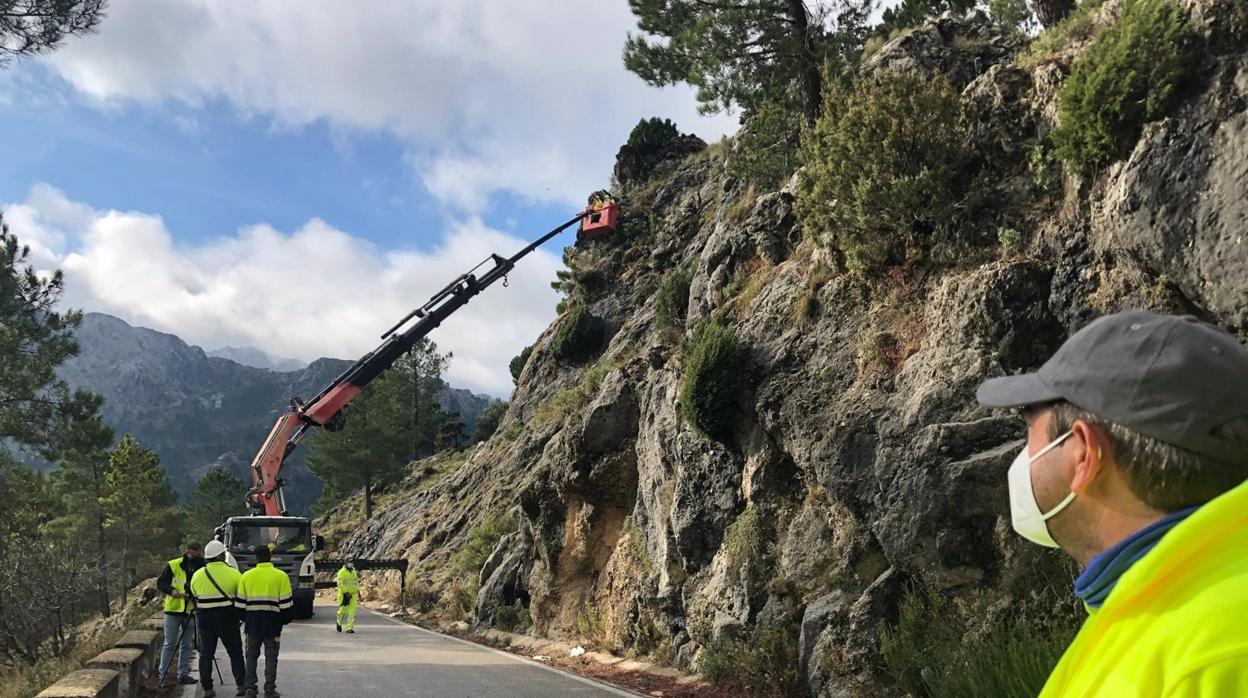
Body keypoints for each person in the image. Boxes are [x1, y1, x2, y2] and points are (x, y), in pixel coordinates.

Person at [976, 310, 1248, 696]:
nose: (1022, 457)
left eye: (1029, 431)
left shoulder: (1213, 658)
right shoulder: (1147, 610)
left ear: (1085, 453)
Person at [190, 540, 246, 698]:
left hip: (205, 619)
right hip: (228, 618)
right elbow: (242, 597)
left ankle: (207, 688)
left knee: (206, 654)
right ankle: (241, 685)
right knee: (235, 652)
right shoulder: (234, 574)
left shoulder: (198, 575)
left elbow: (194, 596)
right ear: (222, 555)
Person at [237, 544, 293, 698]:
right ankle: (269, 689)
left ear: (256, 557)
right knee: (271, 657)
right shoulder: (281, 576)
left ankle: (250, 688)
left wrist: (246, 618)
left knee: (251, 656)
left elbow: (240, 606)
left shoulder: (246, 576)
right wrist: (283, 622)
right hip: (273, 624)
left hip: (253, 624)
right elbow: (286, 605)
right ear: (270, 555)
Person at [156, 541, 205, 685]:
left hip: (190, 609)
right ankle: (163, 675)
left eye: (198, 555)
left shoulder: (202, 565)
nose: (195, 557)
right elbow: (161, 583)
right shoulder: (173, 565)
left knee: (186, 645)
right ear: (188, 551)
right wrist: (172, 591)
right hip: (173, 609)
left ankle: (182, 674)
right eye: (193, 554)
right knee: (169, 644)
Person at [335, 560, 360, 634]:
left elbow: (355, 582)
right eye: (349, 562)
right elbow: (340, 584)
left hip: (354, 594)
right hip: (344, 595)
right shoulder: (341, 572)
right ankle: (338, 621)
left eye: (352, 562)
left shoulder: (353, 571)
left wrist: (358, 591)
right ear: (345, 563)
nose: (351, 564)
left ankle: (349, 628)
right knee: (342, 610)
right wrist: (345, 592)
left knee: (352, 611)